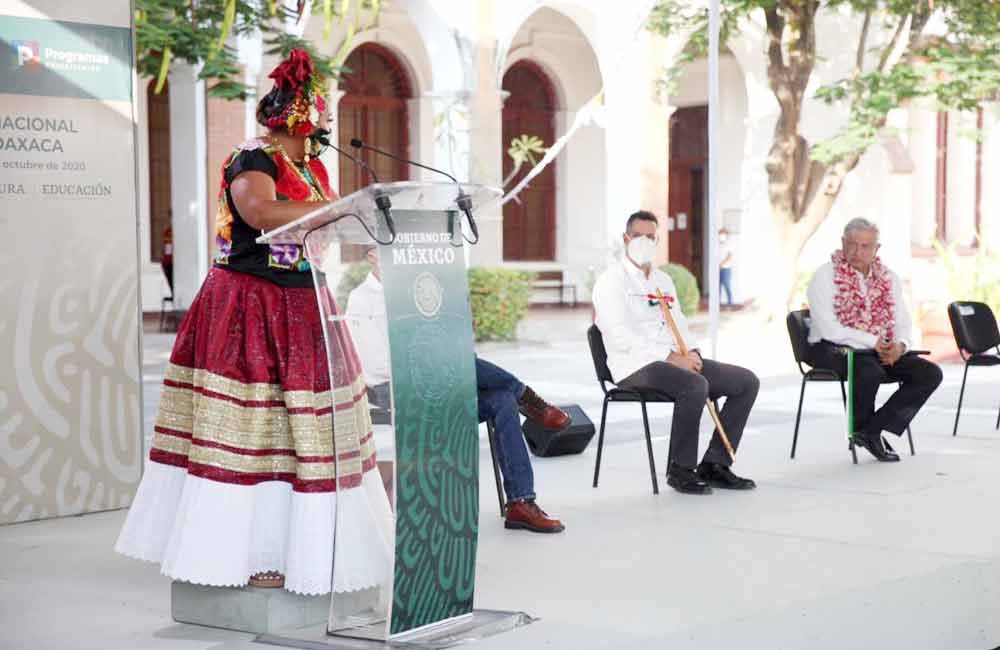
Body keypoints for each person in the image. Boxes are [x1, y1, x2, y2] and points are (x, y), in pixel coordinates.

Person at [116, 49, 392, 594]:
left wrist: (355, 217)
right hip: (250, 306)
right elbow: (260, 215)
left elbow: (320, 229)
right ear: (299, 115)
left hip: (305, 304)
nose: (327, 125)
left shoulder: (311, 168)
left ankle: (311, 549)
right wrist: (341, 209)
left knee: (306, 437)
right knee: (257, 432)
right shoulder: (253, 158)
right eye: (322, 114)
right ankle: (250, 552)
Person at [346, 247, 569, 533]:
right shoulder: (362, 299)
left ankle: (520, 502)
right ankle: (529, 399)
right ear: (371, 256)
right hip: (398, 392)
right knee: (460, 361)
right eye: (385, 251)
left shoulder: (416, 293)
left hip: (440, 385)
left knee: (500, 399)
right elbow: (375, 365)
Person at [592, 210, 759, 495]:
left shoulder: (663, 281)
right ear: (625, 239)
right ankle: (680, 470)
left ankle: (715, 464)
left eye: (650, 237)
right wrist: (671, 358)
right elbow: (622, 336)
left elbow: (679, 323)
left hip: (676, 360)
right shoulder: (611, 282)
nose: (644, 242)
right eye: (637, 236)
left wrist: (692, 352)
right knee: (694, 385)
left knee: (745, 382)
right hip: (635, 366)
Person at [805, 217, 942, 462]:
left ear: (876, 249)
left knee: (929, 373)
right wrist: (873, 342)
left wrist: (900, 345)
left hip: (879, 350)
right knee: (868, 369)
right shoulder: (824, 276)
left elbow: (902, 321)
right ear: (842, 243)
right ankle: (864, 431)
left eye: (865, 246)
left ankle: (871, 430)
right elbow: (829, 329)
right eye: (852, 245)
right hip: (831, 349)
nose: (857, 252)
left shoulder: (888, 277)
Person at [718, 227, 734, 307]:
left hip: (726, 268)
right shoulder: (718, 244)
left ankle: (730, 303)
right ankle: (717, 303)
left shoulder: (729, 244)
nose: (721, 235)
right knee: (718, 287)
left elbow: (729, 256)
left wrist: (721, 264)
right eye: (720, 234)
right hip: (718, 269)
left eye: (723, 234)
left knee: (727, 285)